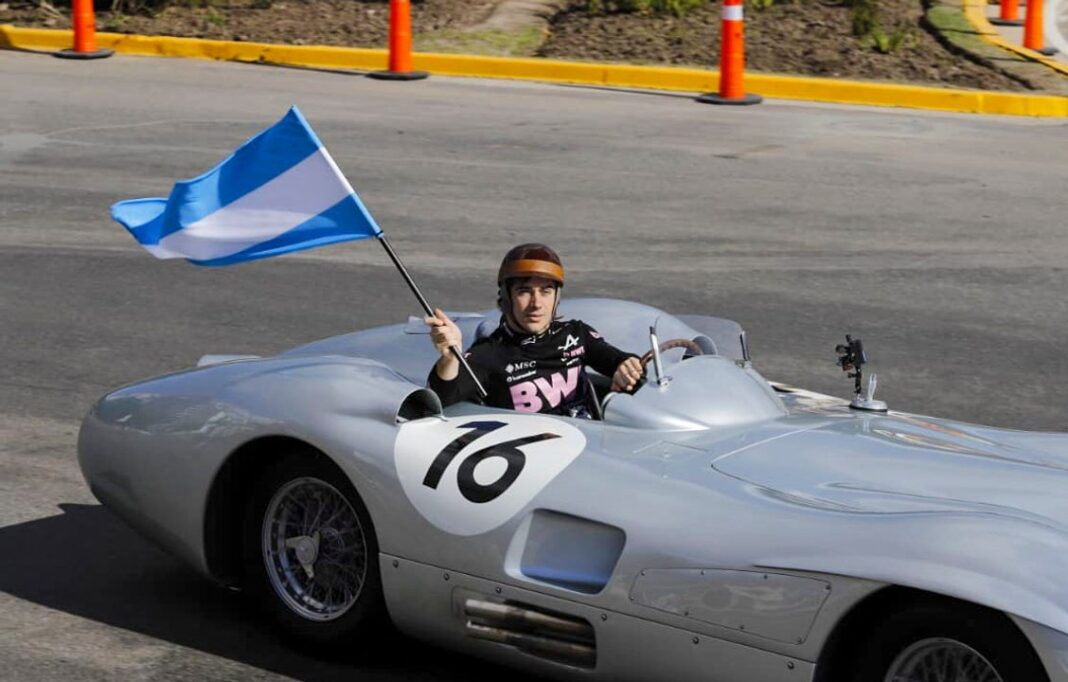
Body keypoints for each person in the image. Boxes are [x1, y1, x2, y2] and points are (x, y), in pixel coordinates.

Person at [425, 243, 644, 418]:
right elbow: (441, 400)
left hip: (592, 448)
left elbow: (618, 360)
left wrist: (628, 367)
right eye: (524, 291)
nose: (536, 303)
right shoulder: (488, 355)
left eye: (546, 291)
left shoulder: (576, 335)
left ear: (557, 297)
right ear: (506, 297)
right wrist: (449, 357)